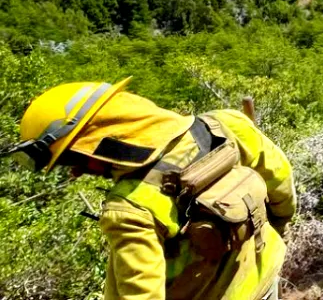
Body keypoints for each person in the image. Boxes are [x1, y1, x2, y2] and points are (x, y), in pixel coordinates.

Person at [3, 79, 296, 300]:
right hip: (264, 272)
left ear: (94, 146)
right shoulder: (225, 124)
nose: (75, 171)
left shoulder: (130, 211)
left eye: (73, 159)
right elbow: (281, 183)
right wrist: (277, 228)